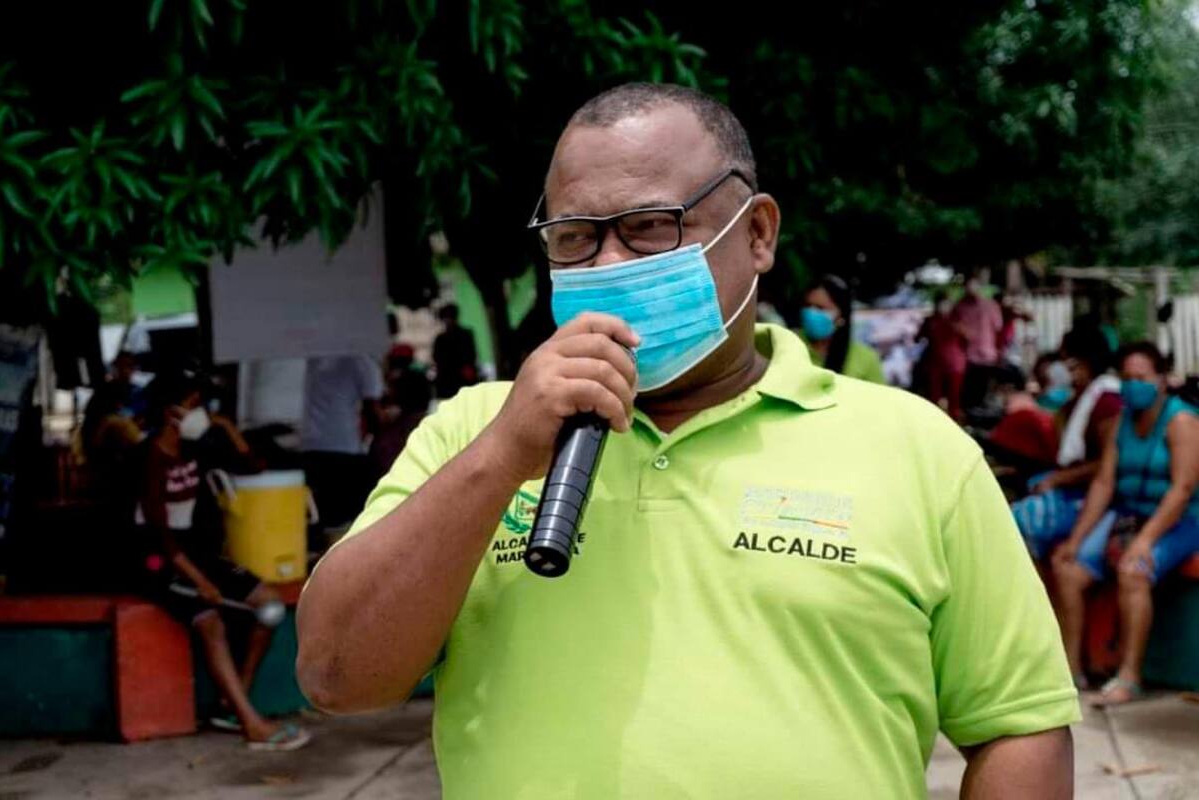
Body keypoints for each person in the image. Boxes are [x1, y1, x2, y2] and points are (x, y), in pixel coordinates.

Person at [298, 83, 1077, 798]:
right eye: (575, 237)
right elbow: (336, 676)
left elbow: (1019, 724)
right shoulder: (473, 435)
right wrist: (504, 457)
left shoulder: (917, 450)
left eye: (647, 228)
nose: (607, 263)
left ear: (759, 234)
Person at [136, 373, 309, 750]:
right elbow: (162, 538)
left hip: (199, 556)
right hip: (159, 563)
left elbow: (253, 466)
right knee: (210, 622)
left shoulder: (197, 447)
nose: (203, 412)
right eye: (195, 404)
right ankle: (253, 725)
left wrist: (227, 427)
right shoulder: (150, 458)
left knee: (269, 606)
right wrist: (201, 583)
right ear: (171, 412)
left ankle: (233, 702)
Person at [1051, 342, 1199, 702]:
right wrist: (1077, 538)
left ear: (1162, 379)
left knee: (1133, 570)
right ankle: (1071, 671)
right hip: (1128, 515)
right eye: (1127, 378)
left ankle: (1129, 676)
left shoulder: (1181, 422)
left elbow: (1181, 490)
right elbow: (1103, 483)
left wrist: (1145, 541)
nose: (1134, 385)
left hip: (1179, 520)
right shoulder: (1119, 424)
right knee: (1066, 567)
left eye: (1142, 378)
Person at [1011, 326, 1122, 560]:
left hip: (1093, 497)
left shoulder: (1107, 402)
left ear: (1082, 361)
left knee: (1019, 520)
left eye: (1064, 359)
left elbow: (1107, 462)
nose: (1060, 368)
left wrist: (1058, 479)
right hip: (1073, 489)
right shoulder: (1079, 400)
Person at [301, 354, 384, 531]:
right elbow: (373, 413)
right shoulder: (362, 361)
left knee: (321, 517)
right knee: (350, 522)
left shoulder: (313, 359)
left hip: (310, 446)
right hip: (346, 449)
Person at [796, 275, 885, 384]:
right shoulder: (787, 345)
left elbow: (878, 398)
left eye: (820, 308)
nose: (811, 313)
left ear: (841, 316)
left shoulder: (865, 358)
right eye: (808, 305)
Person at [952, 276, 1004, 413]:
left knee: (984, 390)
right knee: (969, 392)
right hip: (967, 357)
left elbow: (999, 330)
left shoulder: (991, 305)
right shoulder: (959, 307)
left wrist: (999, 352)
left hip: (986, 355)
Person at [917, 292, 969, 420]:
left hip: (954, 364)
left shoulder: (957, 320)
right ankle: (934, 422)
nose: (943, 306)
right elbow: (918, 338)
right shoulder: (930, 320)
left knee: (954, 398)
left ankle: (954, 422)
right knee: (934, 396)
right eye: (941, 303)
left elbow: (967, 340)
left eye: (946, 303)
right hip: (935, 364)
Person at [432, 304, 479, 399]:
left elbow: (471, 356)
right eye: (446, 318)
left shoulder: (465, 335)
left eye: (450, 317)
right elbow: (437, 358)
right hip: (447, 380)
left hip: (462, 379)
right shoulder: (440, 339)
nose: (448, 321)